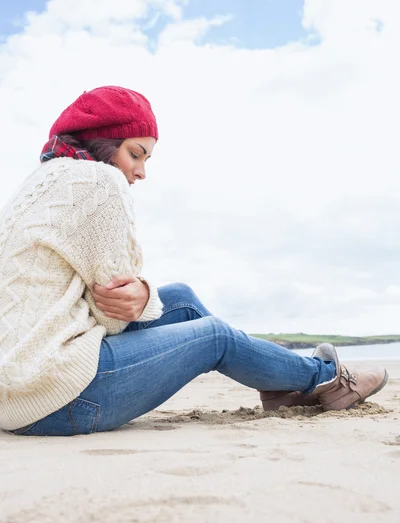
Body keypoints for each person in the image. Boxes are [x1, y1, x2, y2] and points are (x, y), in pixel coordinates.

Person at [0, 85, 388, 437]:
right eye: (135, 154)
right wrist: (143, 299)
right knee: (213, 336)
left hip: (17, 392)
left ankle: (283, 387)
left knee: (182, 300)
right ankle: (329, 381)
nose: (141, 171)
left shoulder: (39, 181)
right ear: (103, 142)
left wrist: (146, 297)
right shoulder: (99, 181)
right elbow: (113, 316)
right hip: (54, 400)